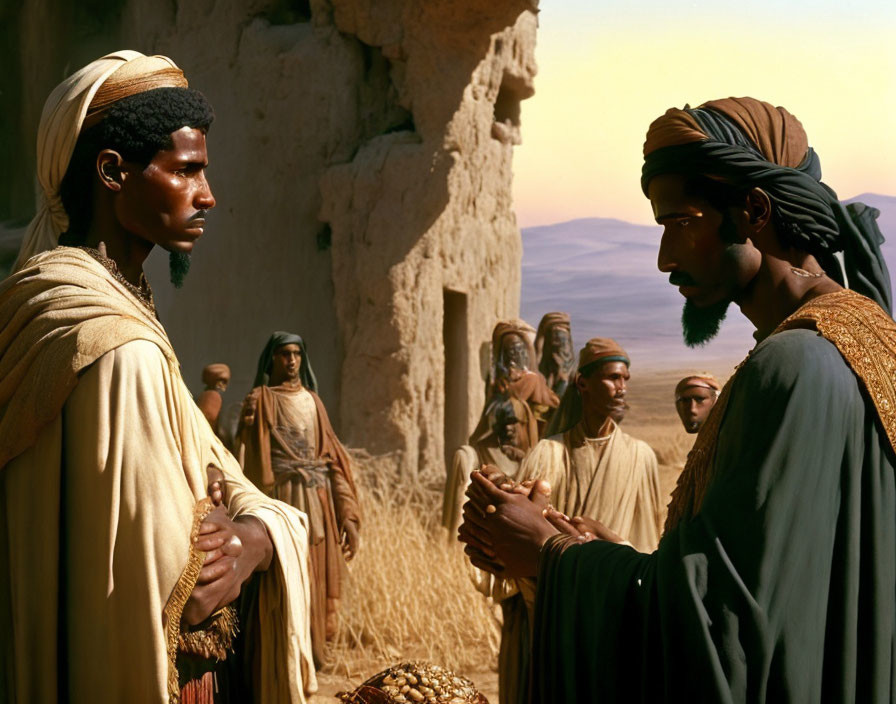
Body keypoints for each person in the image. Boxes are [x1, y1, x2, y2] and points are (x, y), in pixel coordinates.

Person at [459, 97, 896, 702]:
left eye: (680, 223)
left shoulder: (792, 365)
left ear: (754, 211)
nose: (665, 259)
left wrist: (549, 553)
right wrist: (612, 557)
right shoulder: (862, 334)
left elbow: (727, 636)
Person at [0, 52, 316, 702]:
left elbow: (217, 477)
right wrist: (243, 530)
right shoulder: (119, 348)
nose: (208, 194)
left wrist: (253, 534)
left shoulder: (84, 309)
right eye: (186, 171)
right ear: (114, 172)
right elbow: (189, 587)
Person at [494, 338, 663, 704]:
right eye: (612, 378)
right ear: (582, 383)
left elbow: (648, 542)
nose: (622, 388)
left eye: (626, 379)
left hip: (613, 608)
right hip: (552, 608)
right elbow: (518, 537)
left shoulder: (640, 457)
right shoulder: (549, 453)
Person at [236, 331, 361, 667]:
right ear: (272, 359)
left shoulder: (313, 402)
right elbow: (244, 458)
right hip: (278, 500)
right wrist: (245, 427)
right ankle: (282, 655)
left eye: (296, 354)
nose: (291, 361)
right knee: (282, 577)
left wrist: (346, 513)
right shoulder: (261, 399)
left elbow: (333, 460)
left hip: (316, 502)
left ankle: (314, 652)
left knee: (315, 576)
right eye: (284, 354)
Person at [534, 312, 575, 398]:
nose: (561, 346)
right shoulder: (535, 379)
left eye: (564, 340)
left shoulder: (577, 381)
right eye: (556, 339)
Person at [196, 362, 231, 434]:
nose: (221, 385)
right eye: (220, 380)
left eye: (224, 382)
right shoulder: (212, 396)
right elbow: (208, 420)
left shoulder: (204, 395)